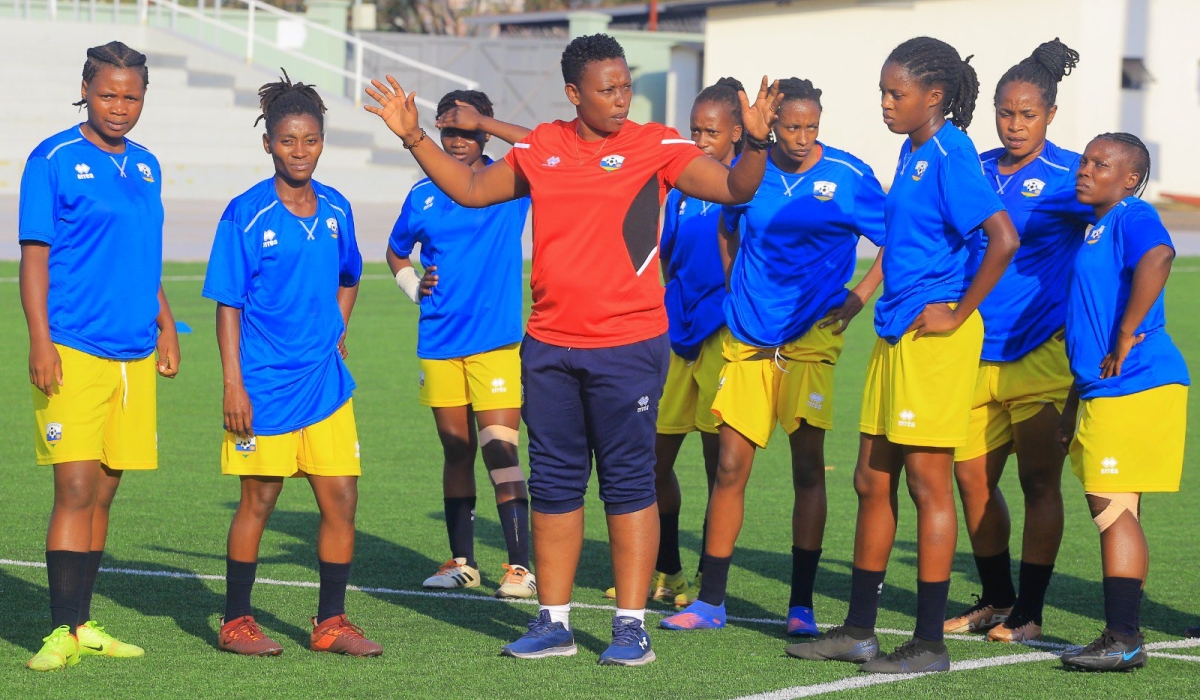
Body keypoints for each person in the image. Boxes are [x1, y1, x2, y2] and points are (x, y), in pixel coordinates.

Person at [365, 33, 781, 666]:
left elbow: (736, 190)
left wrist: (755, 142)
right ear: (573, 93)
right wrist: (414, 136)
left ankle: (630, 626)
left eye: (625, 86)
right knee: (556, 485)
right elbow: (474, 192)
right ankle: (553, 621)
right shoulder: (542, 146)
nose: (621, 99)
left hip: (629, 347)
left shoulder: (655, 145)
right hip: (549, 349)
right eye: (607, 89)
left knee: (627, 485)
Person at [787, 36, 1019, 674]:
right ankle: (860, 629)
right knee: (870, 479)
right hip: (895, 333)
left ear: (934, 96)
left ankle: (928, 644)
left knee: (926, 484)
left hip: (934, 341)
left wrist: (959, 310)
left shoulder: (952, 152)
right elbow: (902, 241)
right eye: (883, 92)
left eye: (897, 93)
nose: (886, 104)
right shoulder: (911, 148)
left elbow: (1002, 237)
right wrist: (864, 297)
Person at [661, 78, 886, 635]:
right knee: (731, 467)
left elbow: (895, 240)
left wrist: (858, 298)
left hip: (811, 340)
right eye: (792, 126)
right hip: (748, 336)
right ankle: (711, 601)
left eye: (812, 126)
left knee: (808, 469)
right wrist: (737, 284)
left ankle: (801, 606)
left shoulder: (849, 176)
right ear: (773, 123)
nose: (803, 137)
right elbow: (727, 225)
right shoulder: (751, 171)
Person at [202, 71, 381, 658]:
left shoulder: (336, 207)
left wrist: (337, 328)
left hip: (325, 381)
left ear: (322, 141)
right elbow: (227, 304)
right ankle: (236, 622)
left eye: (309, 140)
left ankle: (330, 622)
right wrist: (233, 384)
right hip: (264, 385)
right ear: (268, 144)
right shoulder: (245, 213)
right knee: (260, 498)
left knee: (342, 500)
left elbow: (350, 275)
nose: (299, 151)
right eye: (287, 141)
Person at [19, 41, 180, 672]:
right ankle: (59, 631)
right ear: (85, 89)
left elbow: (145, 254)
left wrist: (167, 323)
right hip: (72, 347)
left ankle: (83, 623)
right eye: (108, 93)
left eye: (132, 95)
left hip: (134, 353)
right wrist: (40, 338)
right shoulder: (53, 158)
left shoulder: (146, 165)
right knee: (76, 486)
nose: (120, 106)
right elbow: (35, 256)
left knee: (106, 491)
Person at [945, 38, 1091, 644]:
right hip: (974, 351)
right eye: (1005, 112)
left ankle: (1028, 611)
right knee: (971, 478)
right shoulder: (973, 167)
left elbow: (1119, 230)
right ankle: (996, 599)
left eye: (1027, 114)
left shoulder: (1071, 174)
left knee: (1038, 483)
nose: (1014, 124)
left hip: (1040, 355)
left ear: (1050, 114)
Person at [600, 77, 745, 608]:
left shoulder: (741, 188)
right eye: (694, 130)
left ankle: (712, 583)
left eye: (711, 131)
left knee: (718, 465)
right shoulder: (680, 188)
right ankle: (669, 571)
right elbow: (662, 257)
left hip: (722, 336)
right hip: (674, 335)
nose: (701, 140)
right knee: (653, 460)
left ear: (736, 133)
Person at [386, 89, 535, 599]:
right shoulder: (422, 194)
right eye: (448, 130)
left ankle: (519, 567)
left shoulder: (513, 179)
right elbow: (396, 249)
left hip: (495, 344)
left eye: (468, 131)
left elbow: (541, 144)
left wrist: (489, 122)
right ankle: (463, 562)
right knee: (457, 449)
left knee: (501, 450)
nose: (457, 140)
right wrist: (412, 285)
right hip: (439, 341)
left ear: (483, 132)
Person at [1057, 132, 1189, 671]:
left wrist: (1128, 332)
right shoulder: (1098, 224)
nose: (1085, 169)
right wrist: (1072, 403)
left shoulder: (1131, 215)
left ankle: (1124, 637)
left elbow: (1160, 255)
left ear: (1131, 178)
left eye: (1100, 164)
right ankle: (1122, 635)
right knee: (1120, 509)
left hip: (1136, 381)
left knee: (1111, 509)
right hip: (1106, 387)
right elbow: (1088, 325)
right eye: (1085, 160)